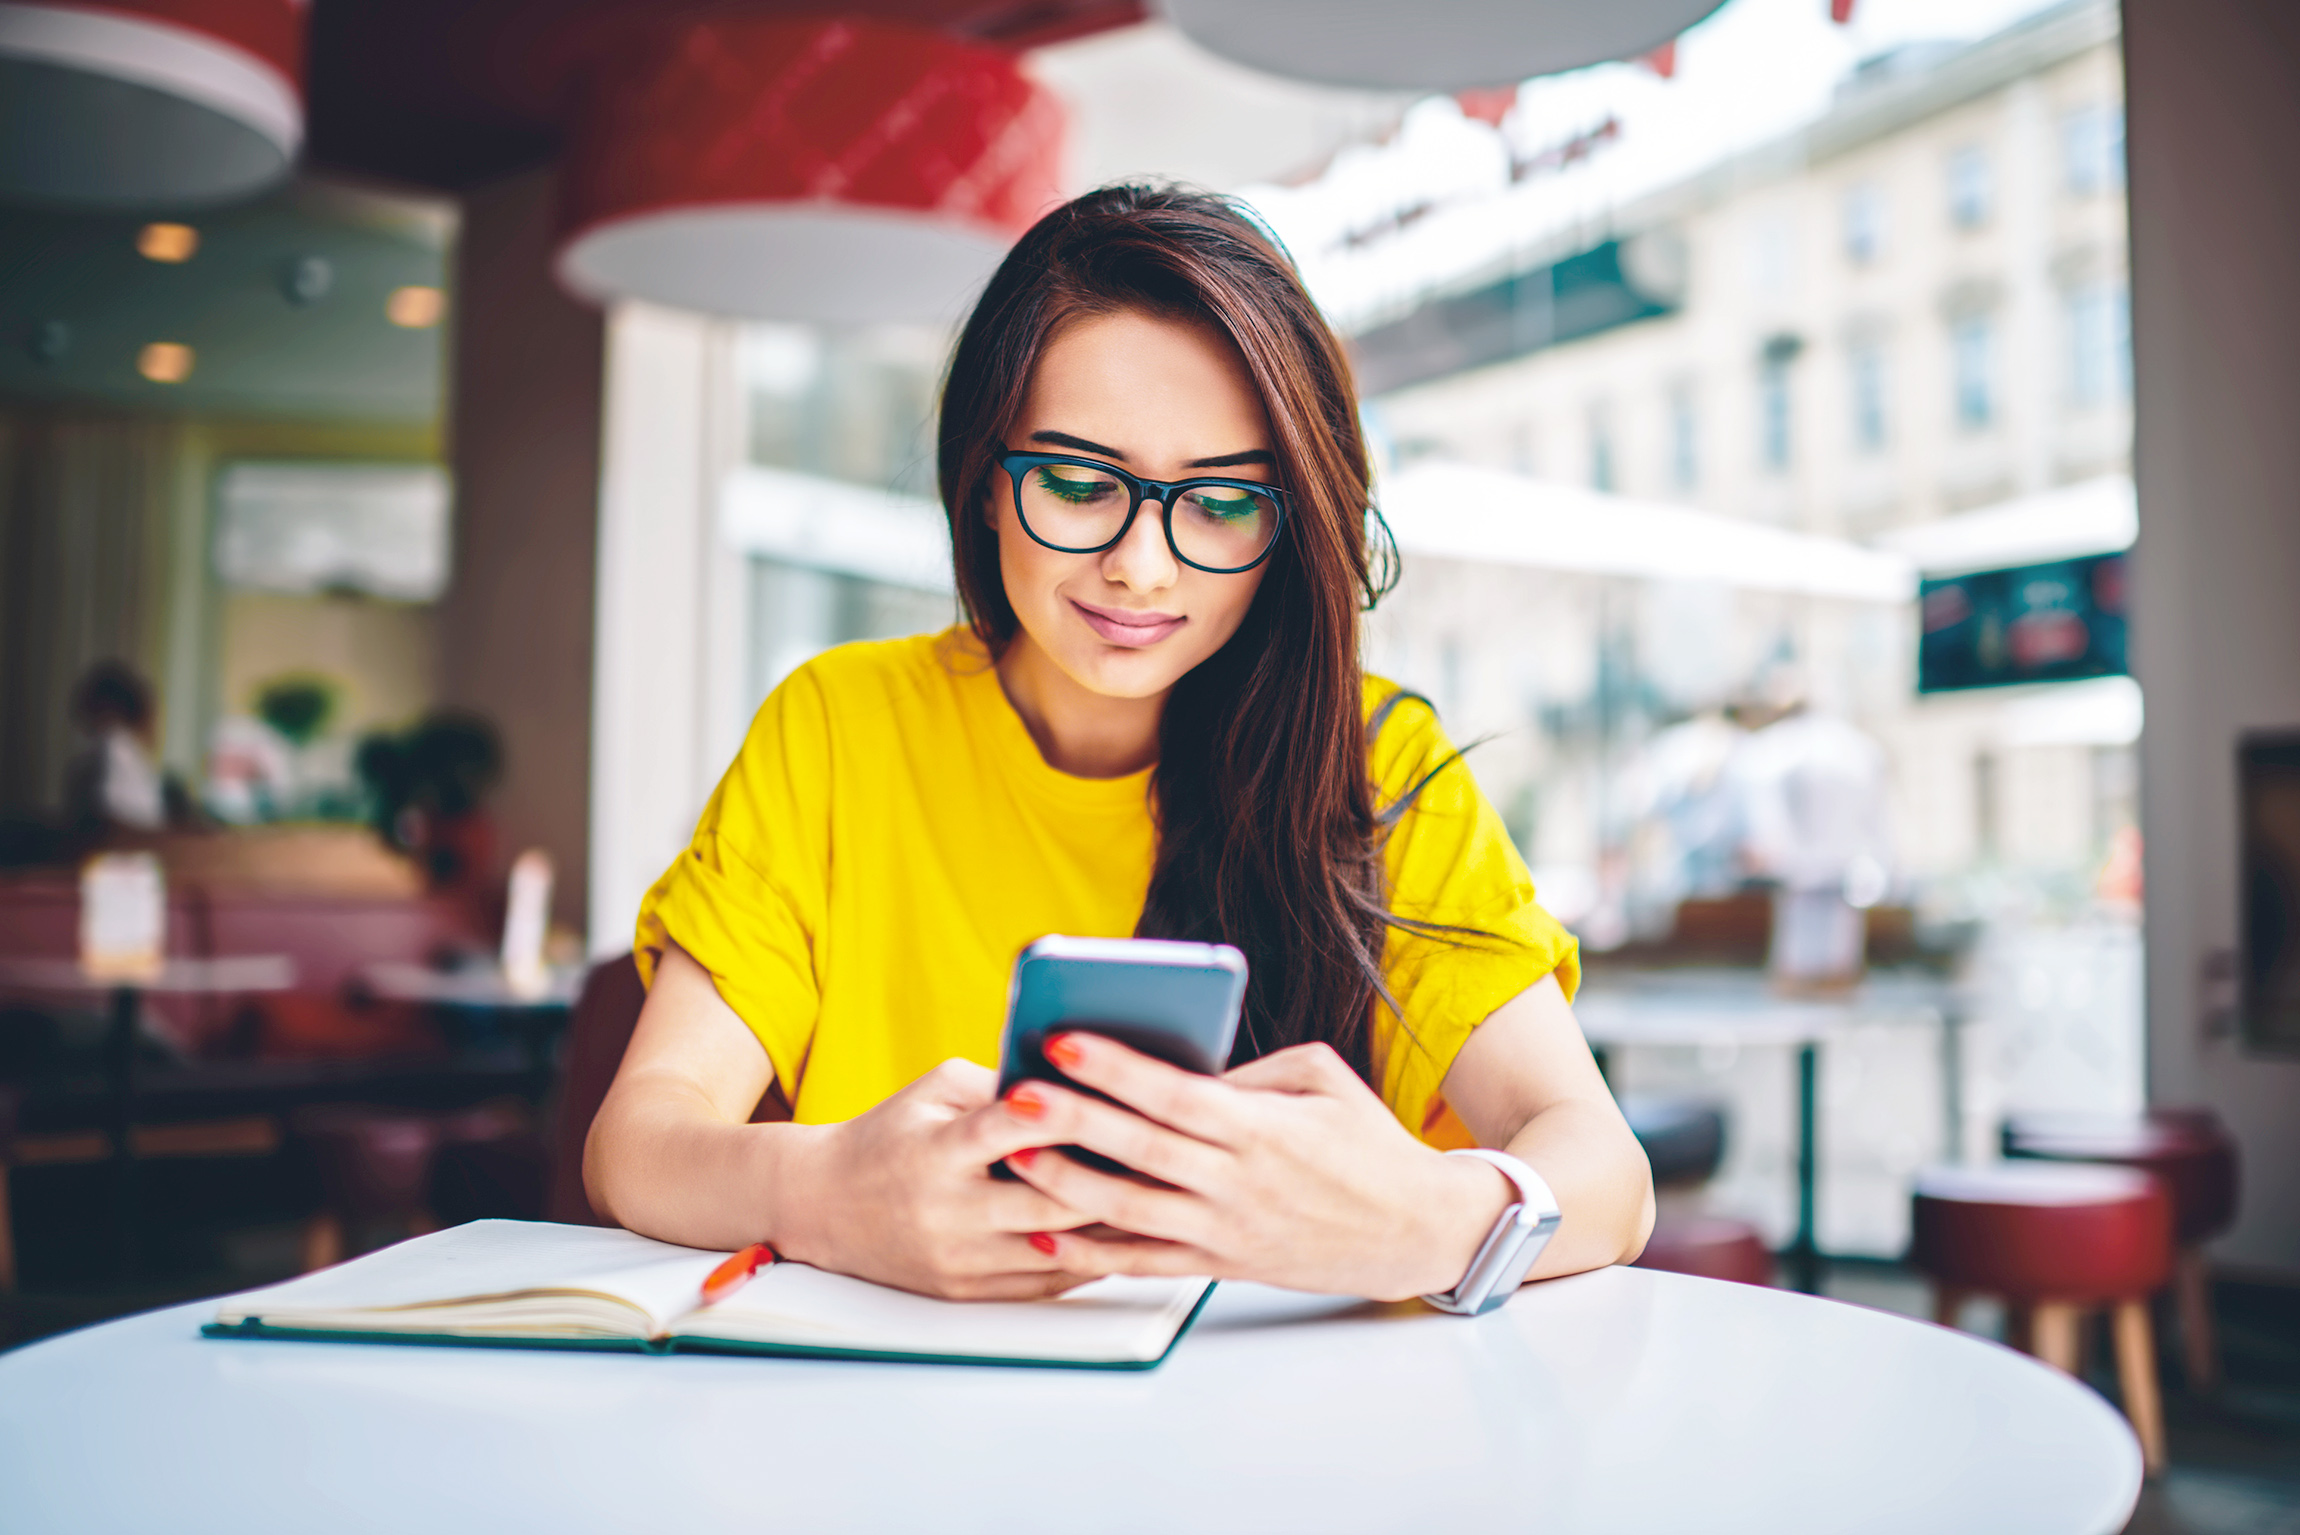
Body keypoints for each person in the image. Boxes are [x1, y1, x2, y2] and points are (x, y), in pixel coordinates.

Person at [587, 185, 1654, 1303]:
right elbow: (637, 1140)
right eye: (1080, 483)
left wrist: (1429, 1218)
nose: (1143, 565)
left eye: (1221, 503)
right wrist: (824, 1190)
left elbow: (1606, 1171)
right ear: (985, 484)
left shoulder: (1377, 765)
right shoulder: (839, 726)